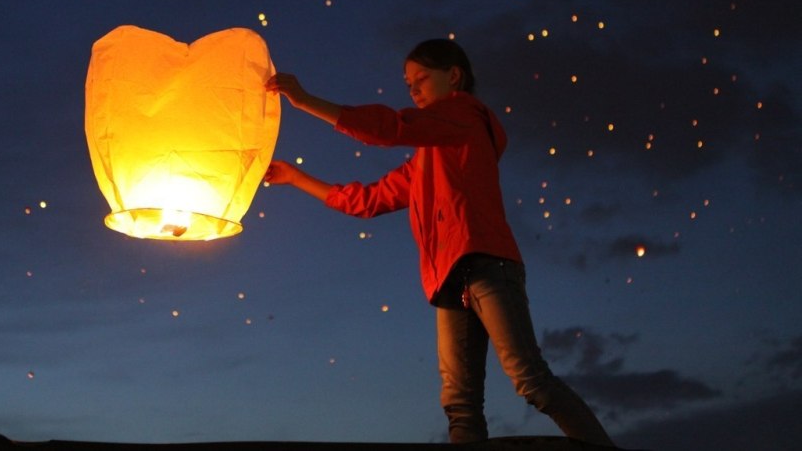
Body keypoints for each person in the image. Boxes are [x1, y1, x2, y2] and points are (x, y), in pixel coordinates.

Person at [263, 39, 614, 446]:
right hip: (450, 279)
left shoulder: (465, 115)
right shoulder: (426, 160)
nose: (413, 89)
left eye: (422, 78)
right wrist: (295, 178)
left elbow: (391, 127)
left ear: (454, 76)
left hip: (487, 264)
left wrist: (304, 100)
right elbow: (366, 201)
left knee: (530, 378)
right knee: (459, 402)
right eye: (408, 83)